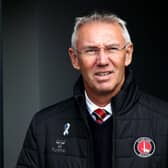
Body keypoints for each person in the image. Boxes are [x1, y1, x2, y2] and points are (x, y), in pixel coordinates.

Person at [16, 12, 168, 168]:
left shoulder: (164, 121)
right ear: (74, 58)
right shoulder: (44, 126)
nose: (102, 61)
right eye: (91, 50)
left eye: (112, 48)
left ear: (128, 54)